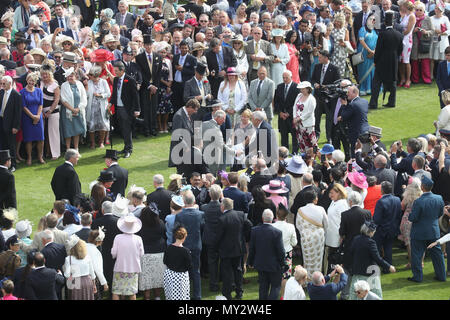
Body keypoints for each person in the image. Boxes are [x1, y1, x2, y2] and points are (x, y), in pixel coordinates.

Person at [408, 175, 446, 283]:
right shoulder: (439, 198)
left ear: (422, 187)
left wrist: (410, 214)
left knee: (417, 255)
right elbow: (440, 213)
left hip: (419, 233)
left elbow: (413, 218)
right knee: (437, 255)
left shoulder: (418, 201)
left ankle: (417, 277)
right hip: (433, 231)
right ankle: (441, 276)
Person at [348, 221, 396, 300]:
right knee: (376, 296)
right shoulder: (371, 242)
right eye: (374, 231)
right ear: (370, 232)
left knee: (354, 296)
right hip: (370, 275)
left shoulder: (356, 239)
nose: (374, 232)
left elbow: (351, 254)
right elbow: (377, 258)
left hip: (357, 273)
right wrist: (389, 266)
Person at [215, 198, 251, 300]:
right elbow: (249, 225)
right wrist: (242, 236)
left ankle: (227, 294)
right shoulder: (240, 214)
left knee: (227, 273)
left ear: (223, 206)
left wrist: (217, 246)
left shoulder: (222, 219)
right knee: (238, 271)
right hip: (238, 248)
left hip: (226, 250)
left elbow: (218, 236)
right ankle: (239, 293)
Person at [248, 209, 285, 300]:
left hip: (261, 264)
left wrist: (250, 261)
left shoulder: (255, 231)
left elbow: (252, 248)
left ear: (262, 218)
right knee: (275, 287)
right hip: (274, 265)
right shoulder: (277, 232)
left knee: (263, 287)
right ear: (273, 219)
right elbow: (281, 251)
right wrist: (282, 263)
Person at [369, 10, 403, 109]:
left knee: (377, 83)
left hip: (381, 62)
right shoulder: (399, 35)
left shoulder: (382, 34)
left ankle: (373, 103)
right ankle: (392, 102)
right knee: (392, 83)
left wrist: (375, 61)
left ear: (385, 23)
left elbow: (378, 50)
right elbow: (400, 50)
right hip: (393, 61)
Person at [174, 190, 204, 300]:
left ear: (184, 201)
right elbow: (203, 228)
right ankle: (197, 295)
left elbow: (176, 232)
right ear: (194, 201)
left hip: (184, 246)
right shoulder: (200, 214)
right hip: (196, 245)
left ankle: (184, 295)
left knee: (183, 271)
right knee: (196, 271)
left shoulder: (180, 216)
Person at [109, 61, 140, 158]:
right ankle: (126, 147)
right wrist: (110, 104)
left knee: (127, 129)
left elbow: (135, 96)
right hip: (118, 108)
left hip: (127, 109)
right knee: (122, 128)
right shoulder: (115, 80)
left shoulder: (130, 80)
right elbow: (114, 94)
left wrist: (137, 109)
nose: (115, 72)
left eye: (116, 71)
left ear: (122, 70)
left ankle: (129, 149)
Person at [296, 188, 328, 279]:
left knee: (307, 259)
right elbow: (326, 224)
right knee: (318, 259)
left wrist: (305, 232)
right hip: (318, 237)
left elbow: (298, 225)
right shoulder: (320, 209)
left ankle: (307, 280)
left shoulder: (300, 210)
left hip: (306, 238)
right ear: (315, 199)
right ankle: (317, 280)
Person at [111, 215, 144, 300]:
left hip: (120, 267)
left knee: (116, 291)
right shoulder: (138, 239)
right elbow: (141, 254)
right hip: (133, 268)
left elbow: (113, 253)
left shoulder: (118, 237)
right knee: (132, 292)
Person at [134, 35, 162, 137]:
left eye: (150, 44)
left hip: (155, 87)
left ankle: (153, 128)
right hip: (145, 87)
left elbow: (159, 74)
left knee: (153, 108)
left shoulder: (158, 56)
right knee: (145, 108)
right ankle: (146, 129)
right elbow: (140, 73)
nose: (149, 47)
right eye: (147, 45)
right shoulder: (139, 58)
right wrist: (149, 85)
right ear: (144, 46)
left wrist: (155, 86)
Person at [137, 205, 166, 300]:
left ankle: (147, 297)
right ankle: (157, 296)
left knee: (146, 277)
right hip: (159, 253)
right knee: (158, 275)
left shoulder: (140, 225)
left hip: (145, 254)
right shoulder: (161, 223)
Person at [91, 201, 122, 289]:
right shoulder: (118, 221)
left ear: (102, 210)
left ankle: (102, 287)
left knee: (101, 268)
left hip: (101, 250)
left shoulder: (96, 222)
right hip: (115, 250)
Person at [311, 50, 340, 142]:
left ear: (326, 58)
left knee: (329, 118)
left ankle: (329, 136)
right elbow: (312, 79)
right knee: (316, 116)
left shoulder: (334, 68)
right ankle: (316, 134)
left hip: (329, 98)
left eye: (320, 57)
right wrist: (315, 84)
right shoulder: (317, 67)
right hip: (318, 96)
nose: (318, 58)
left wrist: (326, 87)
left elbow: (337, 83)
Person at [373, 181, 401, 265]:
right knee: (388, 248)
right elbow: (399, 215)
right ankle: (387, 267)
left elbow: (376, 219)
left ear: (382, 190)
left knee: (376, 249)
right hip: (393, 228)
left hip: (381, 230)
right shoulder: (397, 199)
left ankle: (375, 266)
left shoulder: (381, 201)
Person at [337, 85, 370, 158]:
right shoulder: (365, 101)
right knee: (366, 154)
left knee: (355, 156)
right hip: (366, 131)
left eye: (349, 92)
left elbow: (344, 115)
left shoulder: (352, 105)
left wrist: (343, 105)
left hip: (356, 134)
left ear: (355, 93)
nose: (347, 94)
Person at [273, 204, 297, 297]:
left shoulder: (272, 226)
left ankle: (275, 294)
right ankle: (283, 296)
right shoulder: (291, 227)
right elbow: (294, 243)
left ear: (277, 215)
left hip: (274, 253)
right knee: (286, 276)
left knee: (275, 274)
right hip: (287, 252)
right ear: (286, 216)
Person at [60, 67, 87, 151]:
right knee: (68, 131)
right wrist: (72, 109)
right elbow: (63, 100)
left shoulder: (80, 84)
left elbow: (84, 97)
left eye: (71, 76)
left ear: (75, 76)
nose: (70, 78)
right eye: (68, 76)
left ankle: (76, 148)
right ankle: (68, 149)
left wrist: (78, 109)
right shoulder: (64, 85)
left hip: (78, 110)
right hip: (68, 111)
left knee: (77, 130)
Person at [168, 98, 200, 170]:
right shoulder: (179, 116)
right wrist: (186, 147)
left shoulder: (187, 114)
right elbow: (176, 134)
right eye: (195, 110)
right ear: (190, 107)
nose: (195, 112)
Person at [324, 183, 349, 273]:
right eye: (329, 193)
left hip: (337, 235)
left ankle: (336, 275)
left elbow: (344, 221)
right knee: (331, 256)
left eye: (332, 193)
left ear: (339, 192)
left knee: (335, 257)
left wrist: (342, 236)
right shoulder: (333, 201)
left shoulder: (342, 204)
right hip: (330, 234)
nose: (330, 195)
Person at [21, 72, 44, 165]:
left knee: (40, 138)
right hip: (27, 117)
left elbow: (40, 104)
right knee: (28, 139)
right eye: (30, 80)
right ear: (27, 80)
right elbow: (24, 107)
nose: (31, 82)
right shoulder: (22, 92)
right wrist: (32, 116)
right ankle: (29, 158)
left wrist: (38, 116)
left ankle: (40, 157)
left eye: (33, 81)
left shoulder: (39, 91)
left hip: (39, 117)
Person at [274, 70, 299, 153]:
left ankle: (294, 153)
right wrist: (280, 112)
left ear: (291, 77)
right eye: (283, 78)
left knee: (294, 136)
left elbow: (296, 103)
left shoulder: (296, 87)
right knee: (283, 137)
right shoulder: (279, 87)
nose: (285, 79)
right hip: (282, 117)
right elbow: (276, 102)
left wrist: (289, 113)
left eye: (286, 78)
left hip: (292, 117)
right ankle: (284, 154)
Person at [163, 226, 192, 300]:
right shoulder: (186, 251)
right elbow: (189, 266)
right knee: (181, 296)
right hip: (181, 277)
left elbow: (165, 261)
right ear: (185, 237)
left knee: (170, 295)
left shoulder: (169, 247)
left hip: (169, 275)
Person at [63, 235, 96, 300]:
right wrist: (94, 284)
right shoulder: (87, 257)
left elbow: (67, 275)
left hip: (75, 281)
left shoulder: (68, 259)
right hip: (87, 281)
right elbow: (92, 274)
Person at [86, 65, 110, 149]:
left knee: (102, 125)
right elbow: (86, 95)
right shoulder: (88, 83)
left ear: (95, 75)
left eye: (91, 75)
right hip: (92, 107)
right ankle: (92, 143)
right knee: (91, 125)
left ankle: (101, 142)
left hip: (102, 107)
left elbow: (108, 93)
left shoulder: (103, 82)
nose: (89, 76)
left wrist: (100, 95)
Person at [0, 76, 22, 170]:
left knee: (11, 146)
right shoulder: (1, 92)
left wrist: (16, 127)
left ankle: (13, 165)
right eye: (1, 83)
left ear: (10, 83)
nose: (2, 85)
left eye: (3, 84)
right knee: (2, 144)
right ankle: (3, 164)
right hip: (1, 122)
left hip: (10, 125)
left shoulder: (16, 95)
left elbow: (18, 113)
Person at [411, 1, 432, 85]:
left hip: (424, 43)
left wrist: (426, 32)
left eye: (420, 10)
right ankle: (415, 79)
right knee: (414, 62)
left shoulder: (428, 19)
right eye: (417, 10)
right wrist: (413, 31)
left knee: (425, 62)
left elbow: (433, 31)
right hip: (414, 43)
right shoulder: (412, 18)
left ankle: (427, 79)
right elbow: (407, 30)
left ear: (424, 11)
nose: (418, 11)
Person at [293, 81, 318, 153]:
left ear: (308, 89)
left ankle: (315, 155)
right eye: (301, 89)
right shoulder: (299, 96)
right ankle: (305, 156)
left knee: (312, 142)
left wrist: (299, 118)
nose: (301, 90)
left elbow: (309, 112)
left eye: (303, 89)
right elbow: (294, 107)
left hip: (307, 124)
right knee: (301, 141)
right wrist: (295, 117)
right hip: (298, 124)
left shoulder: (312, 99)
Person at [357, 15, 378, 96]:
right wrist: (369, 51)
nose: (372, 21)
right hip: (364, 54)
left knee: (372, 71)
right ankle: (363, 88)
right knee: (363, 71)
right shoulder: (362, 29)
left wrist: (374, 52)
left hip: (372, 55)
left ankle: (370, 88)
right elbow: (361, 41)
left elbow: (377, 41)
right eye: (371, 19)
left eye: (374, 20)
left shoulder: (375, 31)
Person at [398, 0, 416, 88]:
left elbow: (408, 30)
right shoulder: (405, 16)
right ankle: (402, 78)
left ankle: (408, 79)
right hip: (401, 39)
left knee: (406, 60)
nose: (402, 8)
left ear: (406, 7)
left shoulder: (412, 16)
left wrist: (398, 34)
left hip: (407, 40)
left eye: (403, 6)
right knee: (400, 60)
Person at [86, 229, 108, 300]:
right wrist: (104, 283)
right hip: (92, 279)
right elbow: (98, 269)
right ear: (99, 241)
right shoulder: (96, 252)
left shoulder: (83, 247)